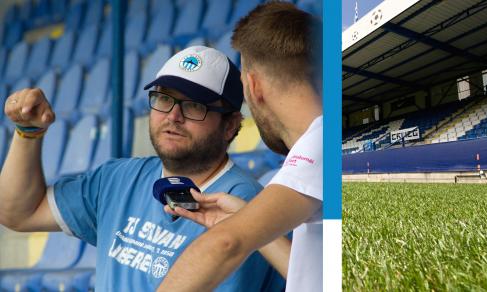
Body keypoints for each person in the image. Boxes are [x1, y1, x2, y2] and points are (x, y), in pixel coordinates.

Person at [0, 46, 285, 291]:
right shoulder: (119, 178)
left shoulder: (247, 205)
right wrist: (28, 132)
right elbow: (20, 213)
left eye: (194, 106)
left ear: (231, 125)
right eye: (163, 98)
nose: (173, 116)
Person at [158, 2, 323, 292]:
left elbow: (225, 244)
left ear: (253, 86)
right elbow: (310, 278)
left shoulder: (319, 144)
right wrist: (243, 218)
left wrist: (235, 229)